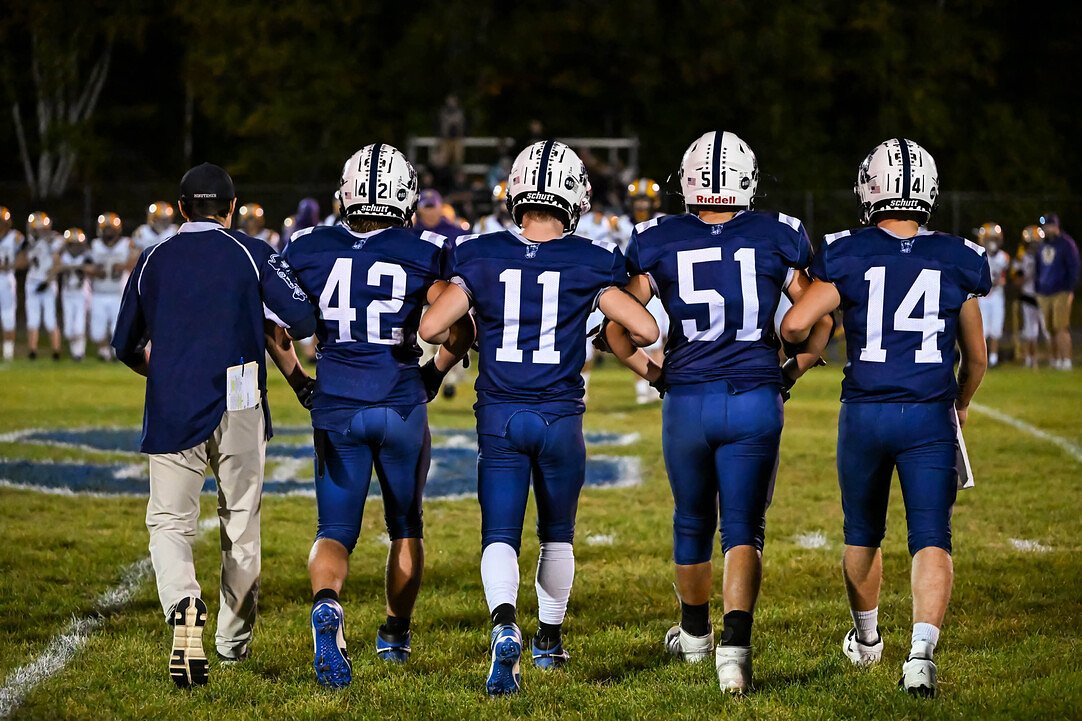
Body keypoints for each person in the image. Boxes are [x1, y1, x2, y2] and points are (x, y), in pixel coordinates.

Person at [419, 140, 659, 696]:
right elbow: (645, 330)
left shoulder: (479, 254)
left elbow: (433, 329)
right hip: (559, 417)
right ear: (574, 195)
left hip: (500, 413)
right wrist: (596, 317)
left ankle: (505, 624)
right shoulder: (591, 259)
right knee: (558, 535)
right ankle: (548, 641)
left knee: (499, 533)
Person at [601, 131, 832, 694]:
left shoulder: (656, 237)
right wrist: (791, 372)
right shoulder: (781, 233)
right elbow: (817, 320)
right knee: (744, 528)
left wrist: (656, 375)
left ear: (686, 179)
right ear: (748, 181)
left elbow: (618, 327)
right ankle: (734, 651)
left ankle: (694, 633)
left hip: (687, 396)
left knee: (691, 521)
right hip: (756, 395)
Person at [781, 138, 991, 698]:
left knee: (861, 535)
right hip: (928, 415)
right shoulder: (959, 256)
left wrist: (835, 312)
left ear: (869, 188)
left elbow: (796, 325)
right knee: (931, 536)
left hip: (866, 412)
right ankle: (919, 656)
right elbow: (977, 358)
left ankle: (868, 641)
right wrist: (962, 402)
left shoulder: (846, 251)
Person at [112, 163, 317, 689]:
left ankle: (183, 603)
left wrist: (165, 372)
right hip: (241, 392)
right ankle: (232, 642)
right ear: (231, 207)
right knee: (241, 522)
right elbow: (302, 319)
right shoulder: (252, 252)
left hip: (175, 395)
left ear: (181, 208)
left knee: (169, 521)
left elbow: (124, 345)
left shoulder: (152, 257)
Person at [282, 144, 472, 689]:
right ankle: (394, 634)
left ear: (345, 193)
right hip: (398, 400)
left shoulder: (309, 246)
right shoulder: (426, 248)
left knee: (334, 530)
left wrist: (300, 381)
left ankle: (327, 604)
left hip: (337, 401)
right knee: (405, 527)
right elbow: (461, 328)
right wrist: (435, 372)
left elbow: (275, 328)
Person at [612, 177, 670, 404]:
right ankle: (641, 388)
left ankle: (658, 385)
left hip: (654, 285)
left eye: (646, 201)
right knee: (636, 336)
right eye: (638, 201)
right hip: (629, 285)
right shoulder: (618, 224)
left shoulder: (663, 225)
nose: (642, 206)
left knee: (658, 337)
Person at [1035, 212, 1079, 370]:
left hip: (1061, 291)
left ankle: (1066, 360)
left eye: (1047, 226)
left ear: (1055, 226)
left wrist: (1069, 288)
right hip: (1044, 292)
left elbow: (1074, 267)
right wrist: (1038, 287)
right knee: (1049, 329)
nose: (1045, 229)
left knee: (1061, 326)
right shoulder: (1043, 245)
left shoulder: (1066, 244)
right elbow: (1039, 267)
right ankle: (1055, 360)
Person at [88, 212, 134, 361]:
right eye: (105, 228)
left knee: (117, 328)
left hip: (118, 293)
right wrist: (94, 271)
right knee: (96, 331)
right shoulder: (95, 245)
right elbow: (86, 266)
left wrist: (125, 266)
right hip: (99, 293)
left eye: (111, 228)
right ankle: (103, 351)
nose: (108, 232)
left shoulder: (127, 244)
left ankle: (116, 354)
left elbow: (137, 261)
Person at [20, 212, 62, 360]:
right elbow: (24, 262)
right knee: (32, 318)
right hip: (32, 281)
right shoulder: (29, 242)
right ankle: (32, 351)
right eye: (36, 228)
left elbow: (57, 264)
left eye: (41, 228)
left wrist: (48, 280)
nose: (38, 231)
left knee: (50, 318)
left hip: (47, 282)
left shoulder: (53, 240)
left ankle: (56, 352)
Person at [974, 223, 1011, 367]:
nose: (992, 243)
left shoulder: (1003, 258)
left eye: (994, 239)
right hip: (983, 294)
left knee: (996, 329)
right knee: (983, 329)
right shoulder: (978, 255)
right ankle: (983, 357)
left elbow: (1005, 277)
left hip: (996, 295)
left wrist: (1002, 281)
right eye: (989, 239)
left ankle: (994, 358)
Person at [55, 227, 92, 361]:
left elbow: (92, 269)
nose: (75, 247)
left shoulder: (86, 255)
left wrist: (77, 267)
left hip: (82, 292)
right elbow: (55, 267)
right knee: (69, 329)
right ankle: (74, 352)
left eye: (77, 244)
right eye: (72, 244)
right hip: (67, 292)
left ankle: (79, 353)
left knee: (79, 326)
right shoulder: (62, 255)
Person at [1012, 225, 1047, 367]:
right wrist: (1028, 275)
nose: (1033, 246)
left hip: (1044, 295)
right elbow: (1017, 282)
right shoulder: (1021, 258)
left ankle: (1056, 360)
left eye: (1036, 242)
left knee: (1047, 329)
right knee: (1030, 330)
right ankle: (1030, 359)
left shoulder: (1046, 256)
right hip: (1028, 295)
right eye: (1031, 242)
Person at [0, 206, 23, 361]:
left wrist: (11, 266)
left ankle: (8, 353)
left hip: (6, 278)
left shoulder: (16, 237)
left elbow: (26, 256)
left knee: (8, 315)